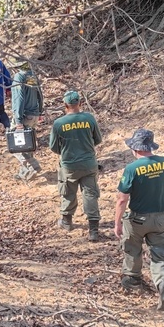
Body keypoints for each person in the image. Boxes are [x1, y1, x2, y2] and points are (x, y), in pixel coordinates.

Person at [113, 130, 164, 311]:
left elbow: (122, 199)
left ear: (135, 148)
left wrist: (117, 222)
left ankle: (133, 279)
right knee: (159, 252)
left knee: (132, 246)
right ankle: (163, 284)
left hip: (138, 219)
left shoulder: (132, 169)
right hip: (161, 218)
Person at [49, 90, 103, 241]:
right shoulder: (89, 118)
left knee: (68, 192)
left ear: (65, 105)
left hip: (69, 165)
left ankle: (66, 221)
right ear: (80, 103)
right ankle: (93, 230)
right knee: (90, 194)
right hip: (89, 164)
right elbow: (97, 139)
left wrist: (67, 151)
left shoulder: (59, 123)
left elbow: (53, 147)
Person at [10, 62, 45, 181]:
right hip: (34, 115)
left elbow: (19, 98)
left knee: (16, 147)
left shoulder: (19, 77)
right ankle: (24, 172)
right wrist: (39, 111)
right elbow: (40, 94)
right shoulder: (31, 76)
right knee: (27, 145)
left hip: (24, 116)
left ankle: (33, 166)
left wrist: (18, 120)